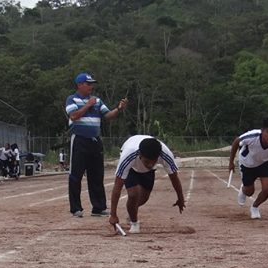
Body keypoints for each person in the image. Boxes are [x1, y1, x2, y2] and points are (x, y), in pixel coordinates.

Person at [65, 72, 128, 217]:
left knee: (97, 175)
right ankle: (76, 208)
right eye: (88, 84)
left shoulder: (97, 100)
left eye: (92, 84)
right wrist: (87, 105)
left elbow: (107, 116)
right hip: (80, 140)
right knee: (76, 175)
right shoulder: (71, 99)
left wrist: (119, 108)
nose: (91, 87)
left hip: (95, 141)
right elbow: (73, 116)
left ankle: (98, 207)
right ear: (80, 85)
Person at [108, 135, 185, 234]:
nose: (150, 165)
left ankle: (131, 211)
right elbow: (117, 185)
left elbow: (174, 177)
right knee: (133, 194)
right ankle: (134, 222)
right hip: (132, 168)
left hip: (149, 173)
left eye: (153, 162)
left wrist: (180, 197)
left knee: (143, 199)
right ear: (140, 155)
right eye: (147, 162)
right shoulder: (128, 156)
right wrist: (113, 214)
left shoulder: (165, 154)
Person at [228, 117, 268, 219]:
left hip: (264, 163)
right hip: (247, 163)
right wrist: (231, 162)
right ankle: (244, 189)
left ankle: (255, 207)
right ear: (262, 130)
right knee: (250, 192)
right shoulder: (252, 136)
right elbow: (236, 141)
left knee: (267, 190)